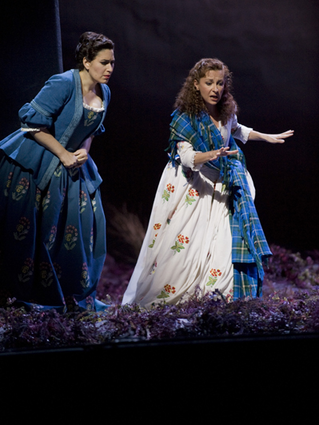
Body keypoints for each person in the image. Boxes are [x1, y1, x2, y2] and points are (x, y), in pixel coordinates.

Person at [122, 58, 294, 308]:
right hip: (194, 188)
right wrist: (212, 155)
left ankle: (218, 298)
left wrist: (265, 136)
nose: (215, 89)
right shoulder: (184, 118)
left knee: (224, 244)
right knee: (184, 248)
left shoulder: (226, 111)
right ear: (195, 85)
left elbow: (237, 130)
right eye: (209, 83)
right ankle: (179, 296)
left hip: (222, 188)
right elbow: (187, 157)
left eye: (220, 83)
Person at [0, 31, 115, 312]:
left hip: (73, 167)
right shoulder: (64, 83)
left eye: (112, 62)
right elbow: (31, 122)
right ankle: (33, 293)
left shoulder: (104, 91)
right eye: (103, 62)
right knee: (34, 230)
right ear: (86, 62)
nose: (109, 69)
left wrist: (85, 149)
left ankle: (74, 293)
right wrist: (62, 153)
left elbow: (92, 130)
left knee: (85, 227)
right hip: (37, 162)